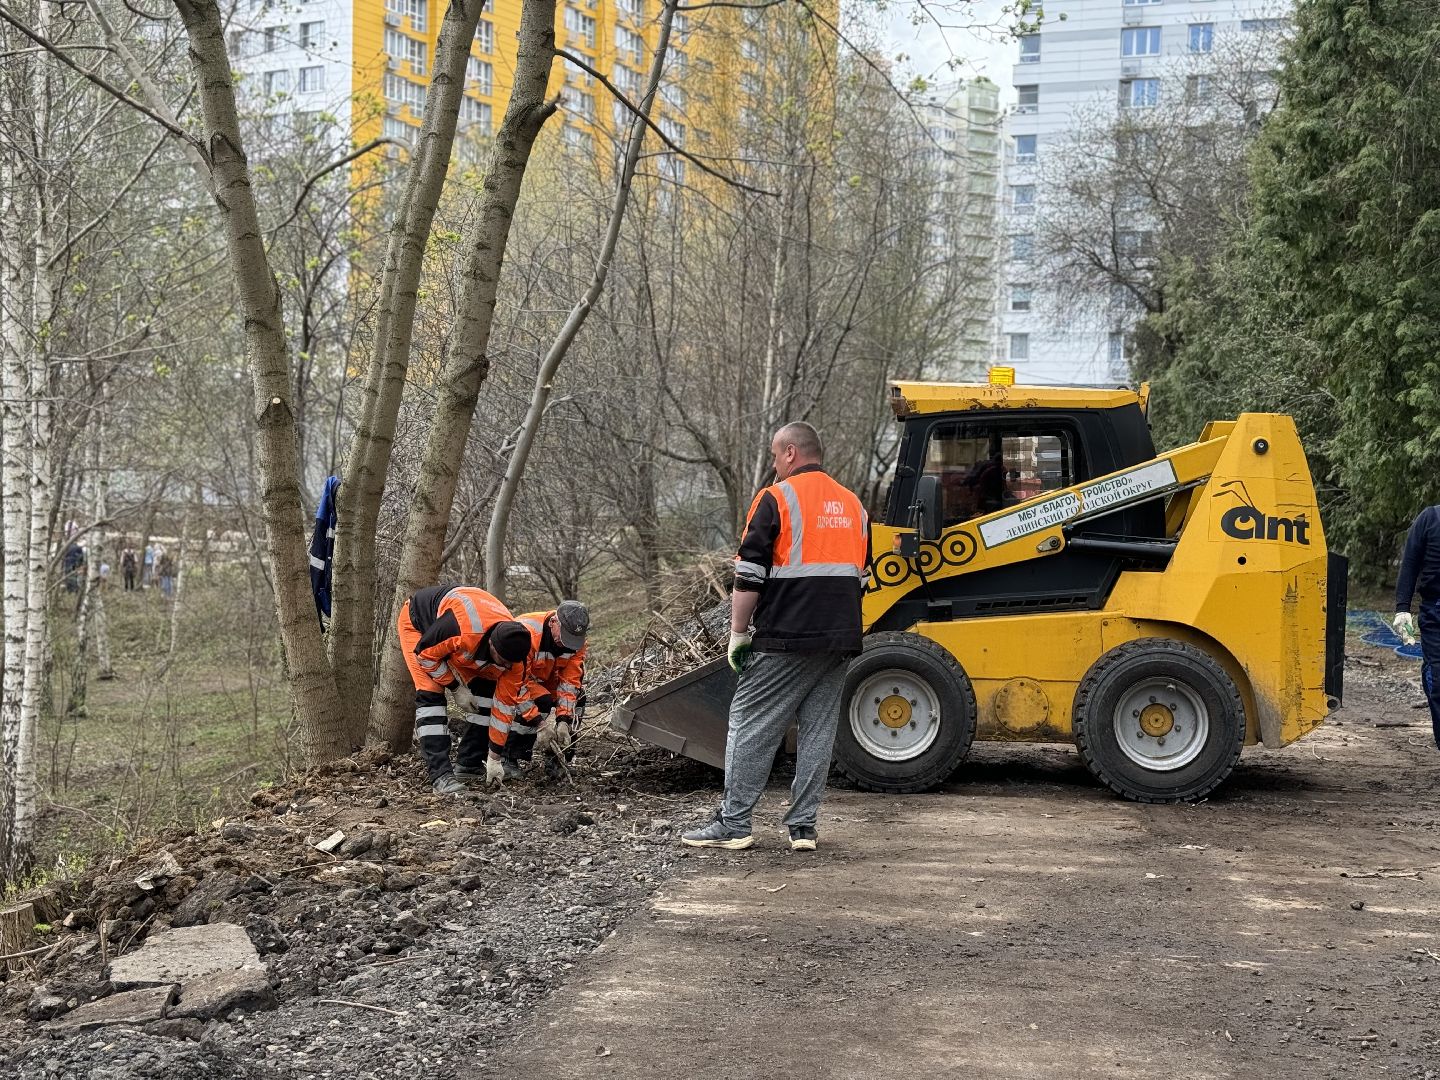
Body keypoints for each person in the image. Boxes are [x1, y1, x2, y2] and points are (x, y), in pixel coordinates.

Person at [681, 421, 870, 853]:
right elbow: (862, 579)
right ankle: (803, 827)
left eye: (773, 456)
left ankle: (734, 824)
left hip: (785, 636)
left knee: (749, 723)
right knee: (818, 730)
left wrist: (738, 634)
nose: (772, 465)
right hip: (841, 637)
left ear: (789, 453)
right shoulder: (854, 505)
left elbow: (748, 577)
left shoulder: (776, 498)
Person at [395, 584, 544, 795]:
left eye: (512, 664)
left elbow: (504, 708)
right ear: (492, 646)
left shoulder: (514, 660)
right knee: (431, 693)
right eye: (503, 661)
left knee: (487, 689)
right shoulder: (461, 628)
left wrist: (494, 757)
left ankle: (470, 764)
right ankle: (440, 775)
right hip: (419, 624)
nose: (507, 668)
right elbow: (425, 656)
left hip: (462, 642)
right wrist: (455, 688)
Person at [474, 601, 590, 779]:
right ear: (553, 622)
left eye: (572, 638)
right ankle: (508, 757)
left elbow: (570, 681)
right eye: (564, 636)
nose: (566, 643)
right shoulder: (526, 634)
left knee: (579, 697)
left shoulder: (576, 642)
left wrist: (564, 719)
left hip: (549, 683)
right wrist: (539, 724)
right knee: (540, 701)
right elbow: (517, 684)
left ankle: (559, 757)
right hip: (521, 681)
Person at [1393, 505, 1440, 750]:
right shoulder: (1430, 518)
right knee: (1437, 681)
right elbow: (1410, 563)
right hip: (1436, 612)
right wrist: (1403, 609)